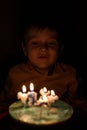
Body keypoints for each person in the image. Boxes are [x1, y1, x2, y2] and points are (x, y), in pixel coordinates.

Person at [0, 22, 87, 129]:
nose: (43, 48)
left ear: (60, 49)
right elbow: (4, 105)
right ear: (24, 49)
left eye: (51, 43)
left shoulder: (69, 74)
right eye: (35, 43)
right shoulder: (15, 74)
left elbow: (80, 107)